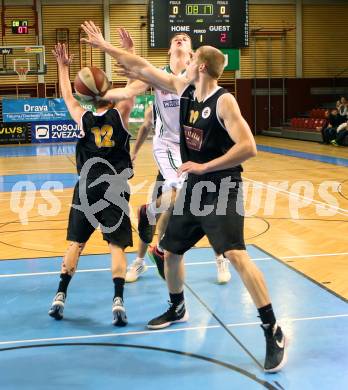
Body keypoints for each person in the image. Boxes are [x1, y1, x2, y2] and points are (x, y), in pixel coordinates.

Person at [81, 21, 287, 373]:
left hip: (222, 187)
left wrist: (206, 167)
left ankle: (272, 328)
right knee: (170, 250)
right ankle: (177, 305)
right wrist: (109, 48)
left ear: (200, 66)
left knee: (236, 253)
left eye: (191, 59)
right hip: (194, 186)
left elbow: (249, 147)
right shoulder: (185, 90)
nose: (186, 63)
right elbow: (143, 69)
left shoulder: (224, 102)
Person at [104, 30, 231, 284]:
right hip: (168, 148)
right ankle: (141, 260)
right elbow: (132, 90)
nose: (180, 38)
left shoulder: (198, 75)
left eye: (185, 38)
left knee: (195, 204)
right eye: (175, 38)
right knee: (189, 201)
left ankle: (219, 258)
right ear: (169, 51)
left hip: (193, 148)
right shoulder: (160, 76)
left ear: (193, 53)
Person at [48, 38, 134, 327]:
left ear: (88, 96)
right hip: (115, 186)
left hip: (86, 185)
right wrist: (129, 53)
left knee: (76, 243)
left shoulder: (83, 118)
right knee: (116, 246)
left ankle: (60, 295)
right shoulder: (120, 113)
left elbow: (67, 97)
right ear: (109, 91)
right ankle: (118, 299)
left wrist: (62, 67)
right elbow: (133, 85)